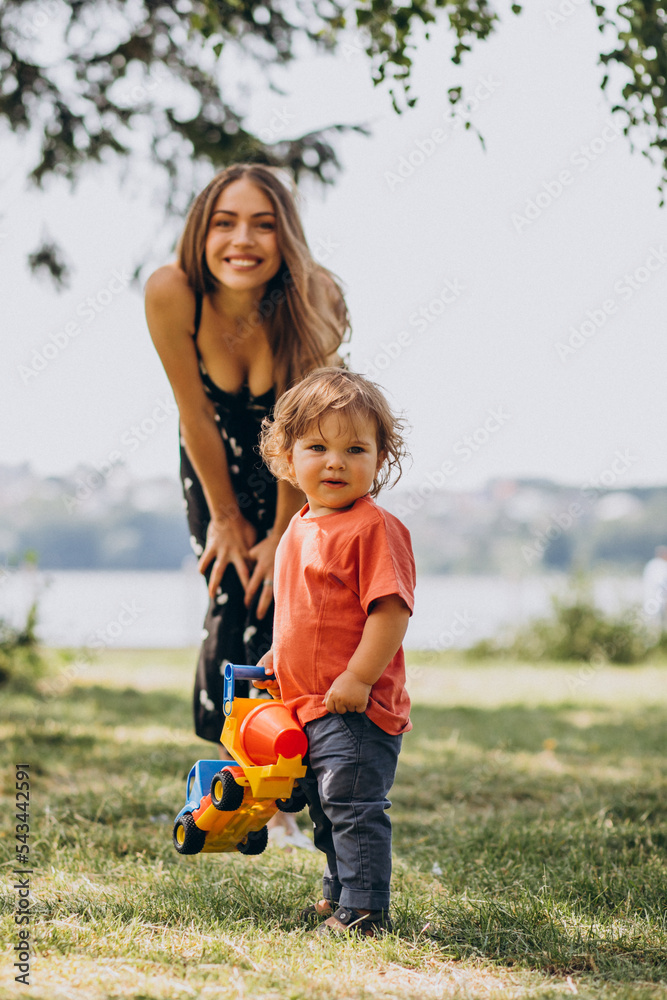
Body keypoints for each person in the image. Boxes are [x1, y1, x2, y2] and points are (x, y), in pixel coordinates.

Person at [145, 165, 348, 848]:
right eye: (226, 222)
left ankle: (290, 789)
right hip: (215, 466)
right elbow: (194, 414)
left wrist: (285, 532)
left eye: (263, 223)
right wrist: (228, 520)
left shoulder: (315, 296)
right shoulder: (173, 292)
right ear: (202, 229)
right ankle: (242, 783)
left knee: (290, 605)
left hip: (296, 464)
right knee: (234, 593)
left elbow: (304, 427)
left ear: (285, 235)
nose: (243, 239)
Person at [255, 368, 416, 936]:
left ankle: (365, 911)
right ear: (286, 456)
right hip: (310, 704)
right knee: (327, 808)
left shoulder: (373, 528)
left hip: (354, 708)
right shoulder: (299, 527)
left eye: (356, 449)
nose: (335, 462)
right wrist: (278, 655)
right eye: (317, 447)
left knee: (353, 809)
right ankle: (340, 896)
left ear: (380, 458)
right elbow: (304, 612)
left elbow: (390, 612)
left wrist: (358, 677)